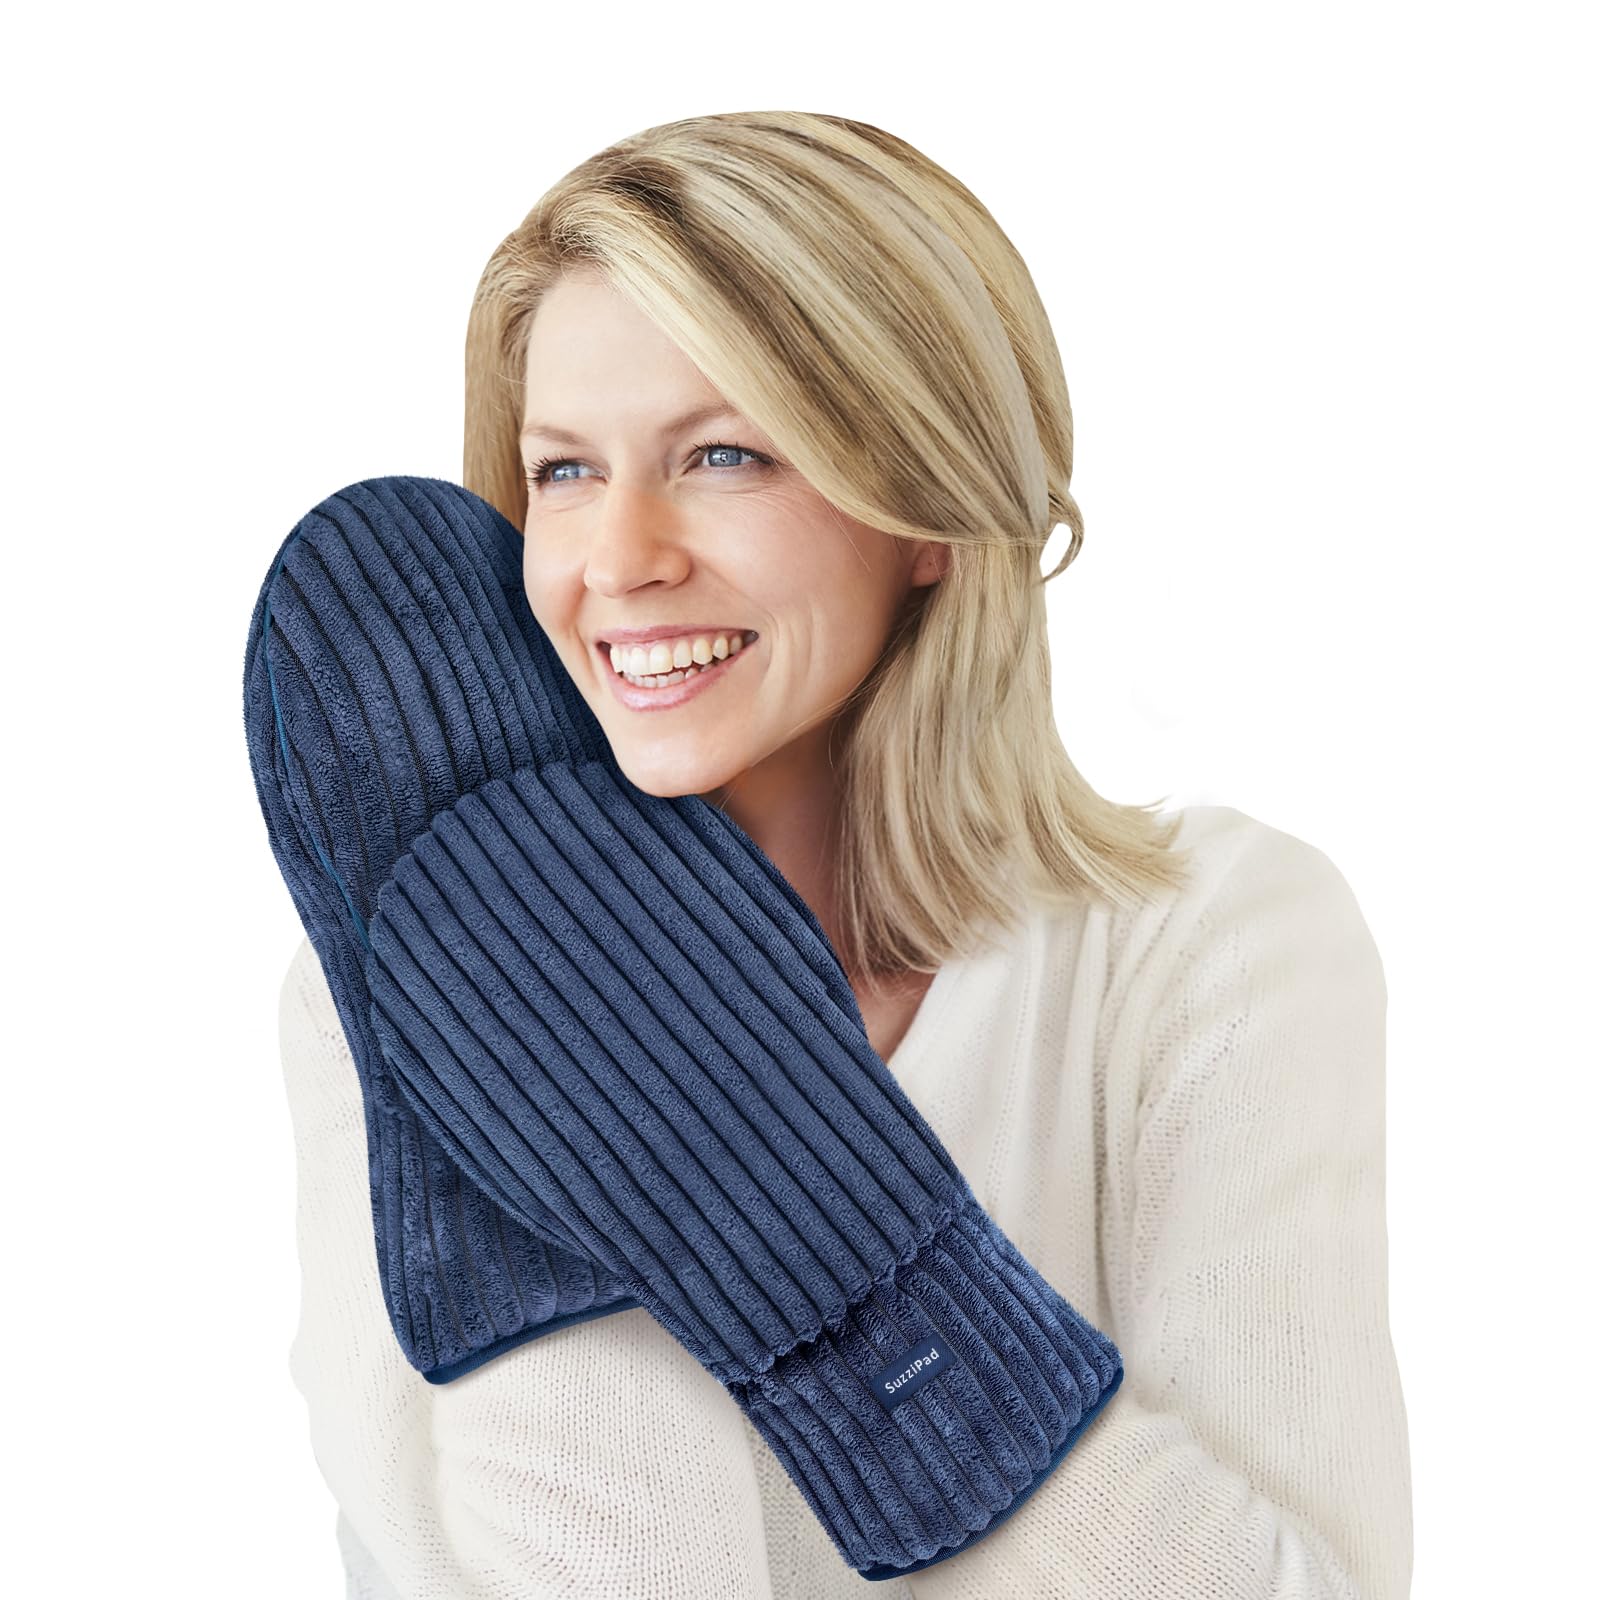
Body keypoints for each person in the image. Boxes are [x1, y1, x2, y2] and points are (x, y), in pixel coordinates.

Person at [275, 110, 1412, 1597]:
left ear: (928, 516)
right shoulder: (386, 991)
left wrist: (839, 1233)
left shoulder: (1210, 948)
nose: (620, 558)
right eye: (562, 473)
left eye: (724, 455)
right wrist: (547, 1063)